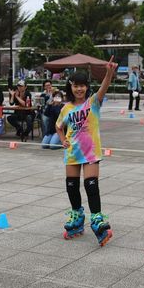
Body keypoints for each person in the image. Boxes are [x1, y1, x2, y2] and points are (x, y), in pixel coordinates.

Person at [56, 57, 118, 246]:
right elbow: (58, 126)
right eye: (76, 86)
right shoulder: (66, 108)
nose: (79, 89)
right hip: (72, 152)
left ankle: (97, 218)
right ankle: (77, 216)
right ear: (71, 87)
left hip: (90, 152)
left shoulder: (93, 102)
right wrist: (63, 140)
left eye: (82, 85)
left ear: (87, 87)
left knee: (91, 185)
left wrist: (108, 73)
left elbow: (104, 87)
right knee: (71, 186)